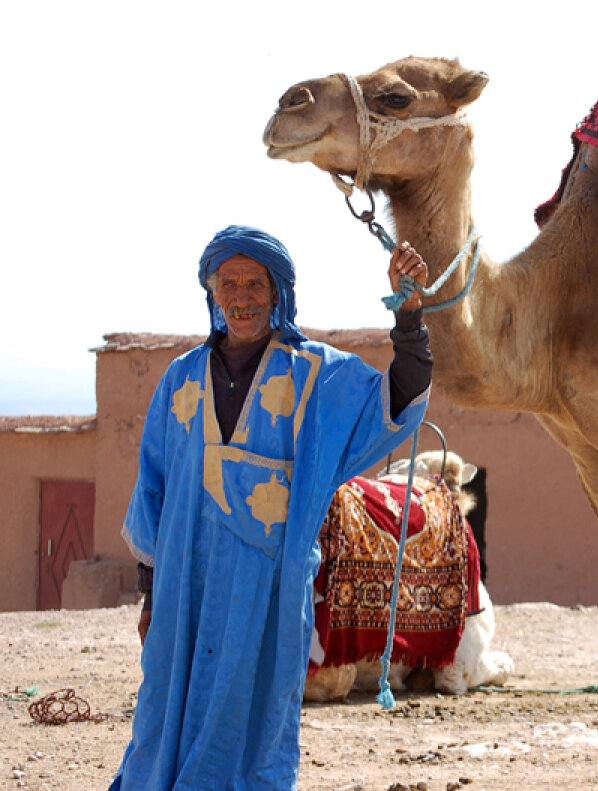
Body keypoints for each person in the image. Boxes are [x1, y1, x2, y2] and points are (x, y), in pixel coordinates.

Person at [111, 225, 433, 790]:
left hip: (265, 594)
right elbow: (154, 489)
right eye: (228, 284)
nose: (241, 298)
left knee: (252, 720)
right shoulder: (180, 380)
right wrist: (150, 592)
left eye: (254, 284)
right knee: (164, 713)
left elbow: (395, 401)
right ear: (212, 295)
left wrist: (409, 319)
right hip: (184, 586)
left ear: (278, 292)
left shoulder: (317, 375)